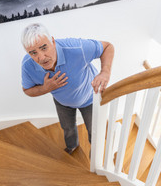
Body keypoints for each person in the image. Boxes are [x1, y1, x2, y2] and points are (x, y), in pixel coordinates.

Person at [21, 23, 114, 154]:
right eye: (33, 52)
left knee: (95, 129)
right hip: (62, 102)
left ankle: (96, 152)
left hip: (90, 98)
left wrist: (105, 72)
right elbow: (27, 90)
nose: (41, 57)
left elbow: (107, 47)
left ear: (52, 41)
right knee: (67, 128)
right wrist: (46, 88)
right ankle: (72, 146)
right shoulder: (27, 66)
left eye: (44, 48)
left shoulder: (76, 48)